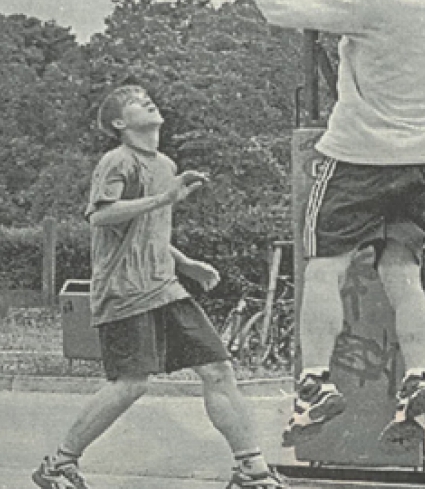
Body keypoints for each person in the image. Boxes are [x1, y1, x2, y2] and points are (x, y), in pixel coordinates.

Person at [228, 0, 425, 449]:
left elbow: (281, 10)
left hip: (358, 160)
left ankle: (315, 383)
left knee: (324, 268)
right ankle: (417, 378)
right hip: (422, 162)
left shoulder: (375, 9)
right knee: (403, 272)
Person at [32, 85, 286, 489]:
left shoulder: (165, 164)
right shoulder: (118, 160)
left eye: (146, 96)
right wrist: (165, 198)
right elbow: (101, 216)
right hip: (125, 291)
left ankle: (251, 472)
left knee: (218, 368)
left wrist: (186, 264)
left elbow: (145, 230)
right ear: (120, 122)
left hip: (166, 287)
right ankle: (59, 465)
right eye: (135, 101)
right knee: (131, 384)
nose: (146, 100)